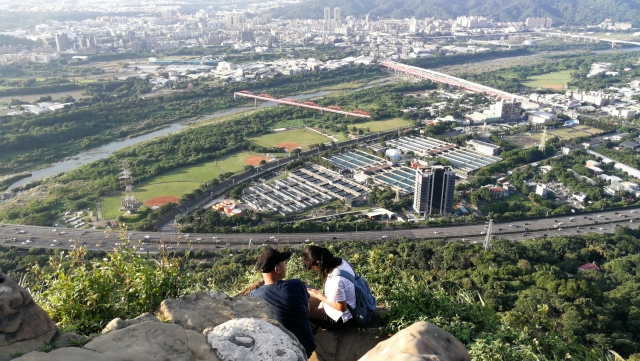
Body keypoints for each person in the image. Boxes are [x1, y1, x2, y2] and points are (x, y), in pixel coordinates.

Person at [250, 248, 316, 357]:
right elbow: (307, 310)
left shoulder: (254, 295)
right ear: (277, 269)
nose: (285, 266)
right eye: (283, 263)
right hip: (304, 347)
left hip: (275, 351)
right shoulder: (296, 285)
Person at [302, 245, 356, 330]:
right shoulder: (342, 262)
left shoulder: (336, 281)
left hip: (342, 319)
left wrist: (319, 296)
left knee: (300, 311)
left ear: (318, 263)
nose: (315, 270)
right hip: (352, 305)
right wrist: (323, 301)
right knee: (306, 292)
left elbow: (342, 308)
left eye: (313, 268)